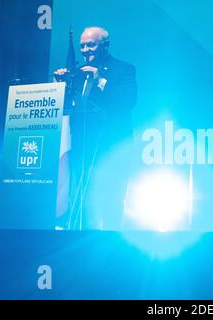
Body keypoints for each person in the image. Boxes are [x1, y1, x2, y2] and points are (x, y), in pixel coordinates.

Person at [54, 26, 137, 230]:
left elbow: (128, 101)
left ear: (105, 46)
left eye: (90, 44)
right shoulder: (78, 73)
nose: (85, 50)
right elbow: (67, 108)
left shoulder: (124, 69)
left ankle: (110, 243)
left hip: (112, 146)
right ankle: (81, 238)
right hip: (83, 144)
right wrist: (58, 86)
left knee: (111, 198)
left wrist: (100, 79)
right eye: (82, 46)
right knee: (82, 197)